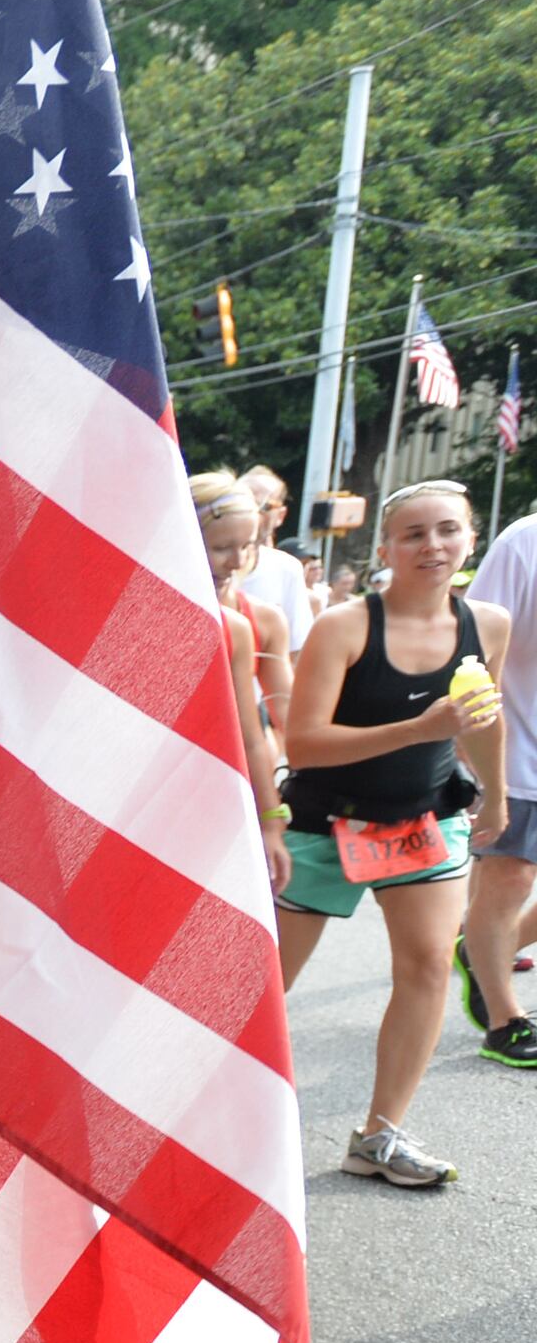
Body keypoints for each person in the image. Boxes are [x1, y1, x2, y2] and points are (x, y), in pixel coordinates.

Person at [273, 478, 512, 1185]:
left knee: (430, 966)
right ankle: (195, 1114)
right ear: (385, 547)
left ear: (469, 540)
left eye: (448, 530)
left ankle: (379, 1136)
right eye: (414, 533)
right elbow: (306, 742)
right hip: (325, 824)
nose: (432, 545)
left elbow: (483, 717)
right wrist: (419, 727)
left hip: (427, 817)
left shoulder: (487, 624)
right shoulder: (345, 626)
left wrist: (494, 796)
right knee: (265, 984)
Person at [456, 503, 537, 1067]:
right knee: (511, 878)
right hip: (521, 746)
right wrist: (473, 752)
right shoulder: (523, 544)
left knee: (502, 899)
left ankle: (482, 947)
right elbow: (471, 645)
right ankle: (505, 1021)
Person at [194, 475, 296, 897]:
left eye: (249, 546)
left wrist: (274, 814)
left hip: (237, 779)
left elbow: (282, 718)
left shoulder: (258, 622)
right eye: (221, 548)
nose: (236, 561)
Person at [240, 465, 316, 652]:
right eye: (243, 501)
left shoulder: (287, 569)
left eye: (264, 506)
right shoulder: (199, 562)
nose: (253, 512)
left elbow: (296, 650)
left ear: (280, 516)